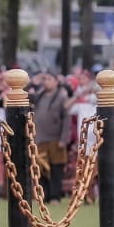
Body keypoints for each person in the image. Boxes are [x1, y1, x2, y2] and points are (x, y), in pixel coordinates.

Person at [31, 70, 72, 200]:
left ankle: (55, 196)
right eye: (45, 79)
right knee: (41, 169)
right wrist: (33, 82)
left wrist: (64, 138)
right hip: (40, 138)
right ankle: (45, 195)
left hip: (55, 138)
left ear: (56, 82)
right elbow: (24, 95)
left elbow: (66, 119)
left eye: (49, 79)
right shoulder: (39, 96)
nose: (46, 82)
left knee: (56, 168)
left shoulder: (61, 98)